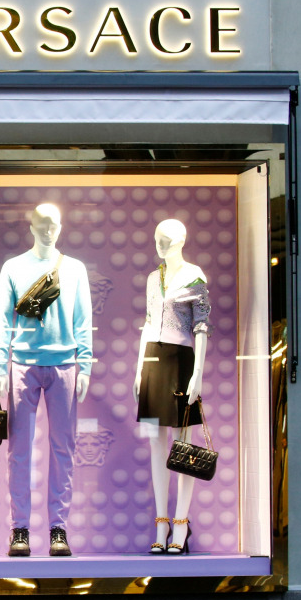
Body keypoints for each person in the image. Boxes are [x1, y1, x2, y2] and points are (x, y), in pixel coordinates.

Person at [0, 203, 93, 557]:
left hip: (64, 365)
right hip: (22, 365)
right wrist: (0, 367)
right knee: (19, 451)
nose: (49, 230)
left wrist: (86, 364)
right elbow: (3, 320)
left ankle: (58, 528)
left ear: (61, 227)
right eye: (43, 223)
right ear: (31, 225)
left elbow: (83, 318)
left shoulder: (76, 269)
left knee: (63, 449)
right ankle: (19, 528)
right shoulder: (14, 268)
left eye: (54, 224)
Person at [133, 219, 210, 555]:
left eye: (165, 240)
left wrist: (198, 375)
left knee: (184, 447)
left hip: (181, 360)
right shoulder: (153, 278)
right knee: (155, 445)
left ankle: (181, 525)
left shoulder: (195, 275)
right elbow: (149, 323)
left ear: (181, 239)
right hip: (153, 358)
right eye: (155, 239)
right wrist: (139, 369)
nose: (159, 245)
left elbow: (202, 327)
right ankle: (161, 523)